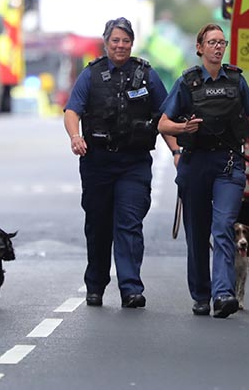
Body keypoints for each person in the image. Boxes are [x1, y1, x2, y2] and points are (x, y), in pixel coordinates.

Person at [64, 17, 179, 309]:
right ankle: (95, 285)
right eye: (115, 40)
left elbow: (164, 118)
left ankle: (131, 288)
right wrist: (75, 137)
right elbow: (72, 110)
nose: (120, 45)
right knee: (98, 226)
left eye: (126, 41)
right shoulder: (91, 75)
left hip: (133, 163)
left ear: (132, 43)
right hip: (98, 163)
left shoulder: (146, 75)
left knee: (129, 224)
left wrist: (177, 152)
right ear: (106, 42)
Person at [157, 23, 249, 319]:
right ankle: (201, 296)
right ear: (200, 47)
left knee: (224, 227)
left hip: (229, 164)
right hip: (195, 164)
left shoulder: (236, 80)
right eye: (212, 42)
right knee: (197, 233)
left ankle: (223, 294)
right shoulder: (188, 82)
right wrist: (184, 130)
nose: (218, 47)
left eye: (222, 42)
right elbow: (163, 123)